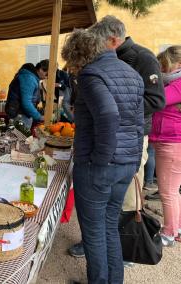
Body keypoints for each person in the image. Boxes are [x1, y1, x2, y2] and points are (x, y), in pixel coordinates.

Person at [69, 15, 166, 259]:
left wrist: (101, 159)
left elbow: (121, 111)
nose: (93, 46)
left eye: (97, 42)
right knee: (108, 225)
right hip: (123, 154)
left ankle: (110, 267)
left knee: (102, 225)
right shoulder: (123, 68)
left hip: (111, 155)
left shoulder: (140, 59)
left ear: (111, 40)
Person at [61, 28, 144, 283]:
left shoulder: (91, 74)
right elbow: (140, 121)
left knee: (95, 232)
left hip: (100, 165)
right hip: (126, 162)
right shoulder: (131, 73)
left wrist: (99, 160)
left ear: (78, 55)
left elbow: (108, 116)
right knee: (109, 226)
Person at [149, 45, 181, 246]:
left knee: (167, 190)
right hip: (171, 141)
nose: (162, 70)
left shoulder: (177, 85)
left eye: (165, 65)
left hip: (171, 142)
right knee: (173, 189)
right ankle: (176, 226)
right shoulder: (173, 82)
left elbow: (158, 99)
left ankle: (168, 233)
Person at [5, 61, 47, 129]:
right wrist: (39, 117)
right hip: (20, 115)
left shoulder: (29, 76)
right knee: (20, 138)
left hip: (19, 114)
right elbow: (26, 102)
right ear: (41, 69)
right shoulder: (29, 78)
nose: (46, 77)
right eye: (46, 74)